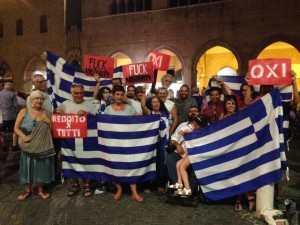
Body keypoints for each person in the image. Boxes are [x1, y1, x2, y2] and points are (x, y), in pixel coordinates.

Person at [55, 84, 97, 197]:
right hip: (69, 140)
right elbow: (57, 115)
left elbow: (96, 118)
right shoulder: (64, 104)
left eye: (81, 93)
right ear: (71, 93)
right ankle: (74, 184)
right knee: (71, 160)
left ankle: (87, 185)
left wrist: (87, 114)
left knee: (86, 161)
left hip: (86, 140)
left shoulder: (89, 104)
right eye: (76, 93)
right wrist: (58, 112)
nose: (78, 95)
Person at [104, 85, 144, 203]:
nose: (119, 97)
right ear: (112, 95)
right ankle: (119, 189)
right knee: (116, 166)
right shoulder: (107, 110)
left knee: (131, 166)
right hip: (114, 143)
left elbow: (141, 120)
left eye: (122, 94)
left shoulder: (129, 108)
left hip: (128, 143)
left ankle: (134, 192)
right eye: (117, 94)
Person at [14, 90, 55, 200]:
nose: (39, 101)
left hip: (42, 146)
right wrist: (23, 137)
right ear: (31, 100)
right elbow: (16, 128)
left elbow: (53, 130)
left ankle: (40, 190)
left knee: (40, 168)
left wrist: (48, 121)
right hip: (28, 145)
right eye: (37, 98)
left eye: (41, 99)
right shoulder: (24, 111)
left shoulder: (47, 113)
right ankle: (27, 190)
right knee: (27, 168)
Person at [168, 115, 209, 196]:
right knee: (178, 164)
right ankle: (179, 184)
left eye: (197, 125)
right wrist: (184, 132)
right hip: (190, 153)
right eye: (193, 124)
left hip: (196, 154)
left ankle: (187, 188)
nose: (194, 126)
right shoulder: (193, 130)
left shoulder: (203, 133)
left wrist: (186, 132)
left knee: (182, 167)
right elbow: (187, 130)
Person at [166, 106, 201, 192]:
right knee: (170, 158)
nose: (193, 112)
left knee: (196, 165)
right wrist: (177, 145)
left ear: (199, 113)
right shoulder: (183, 125)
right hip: (181, 152)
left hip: (195, 154)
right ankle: (178, 184)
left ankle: (190, 189)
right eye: (190, 111)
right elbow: (173, 139)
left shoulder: (202, 125)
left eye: (195, 111)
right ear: (188, 113)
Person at [141, 87, 169, 193]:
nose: (156, 104)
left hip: (161, 142)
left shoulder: (165, 114)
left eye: (157, 102)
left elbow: (166, 129)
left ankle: (158, 184)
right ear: (151, 104)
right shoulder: (150, 113)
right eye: (153, 102)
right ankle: (147, 185)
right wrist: (144, 93)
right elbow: (143, 105)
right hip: (150, 143)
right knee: (149, 163)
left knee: (160, 164)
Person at [0, 82, 19, 152]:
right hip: (11, 115)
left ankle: (4, 146)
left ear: (4, 87)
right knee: (14, 131)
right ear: (11, 87)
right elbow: (16, 104)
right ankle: (14, 146)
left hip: (2, 116)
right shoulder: (12, 94)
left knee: (2, 131)